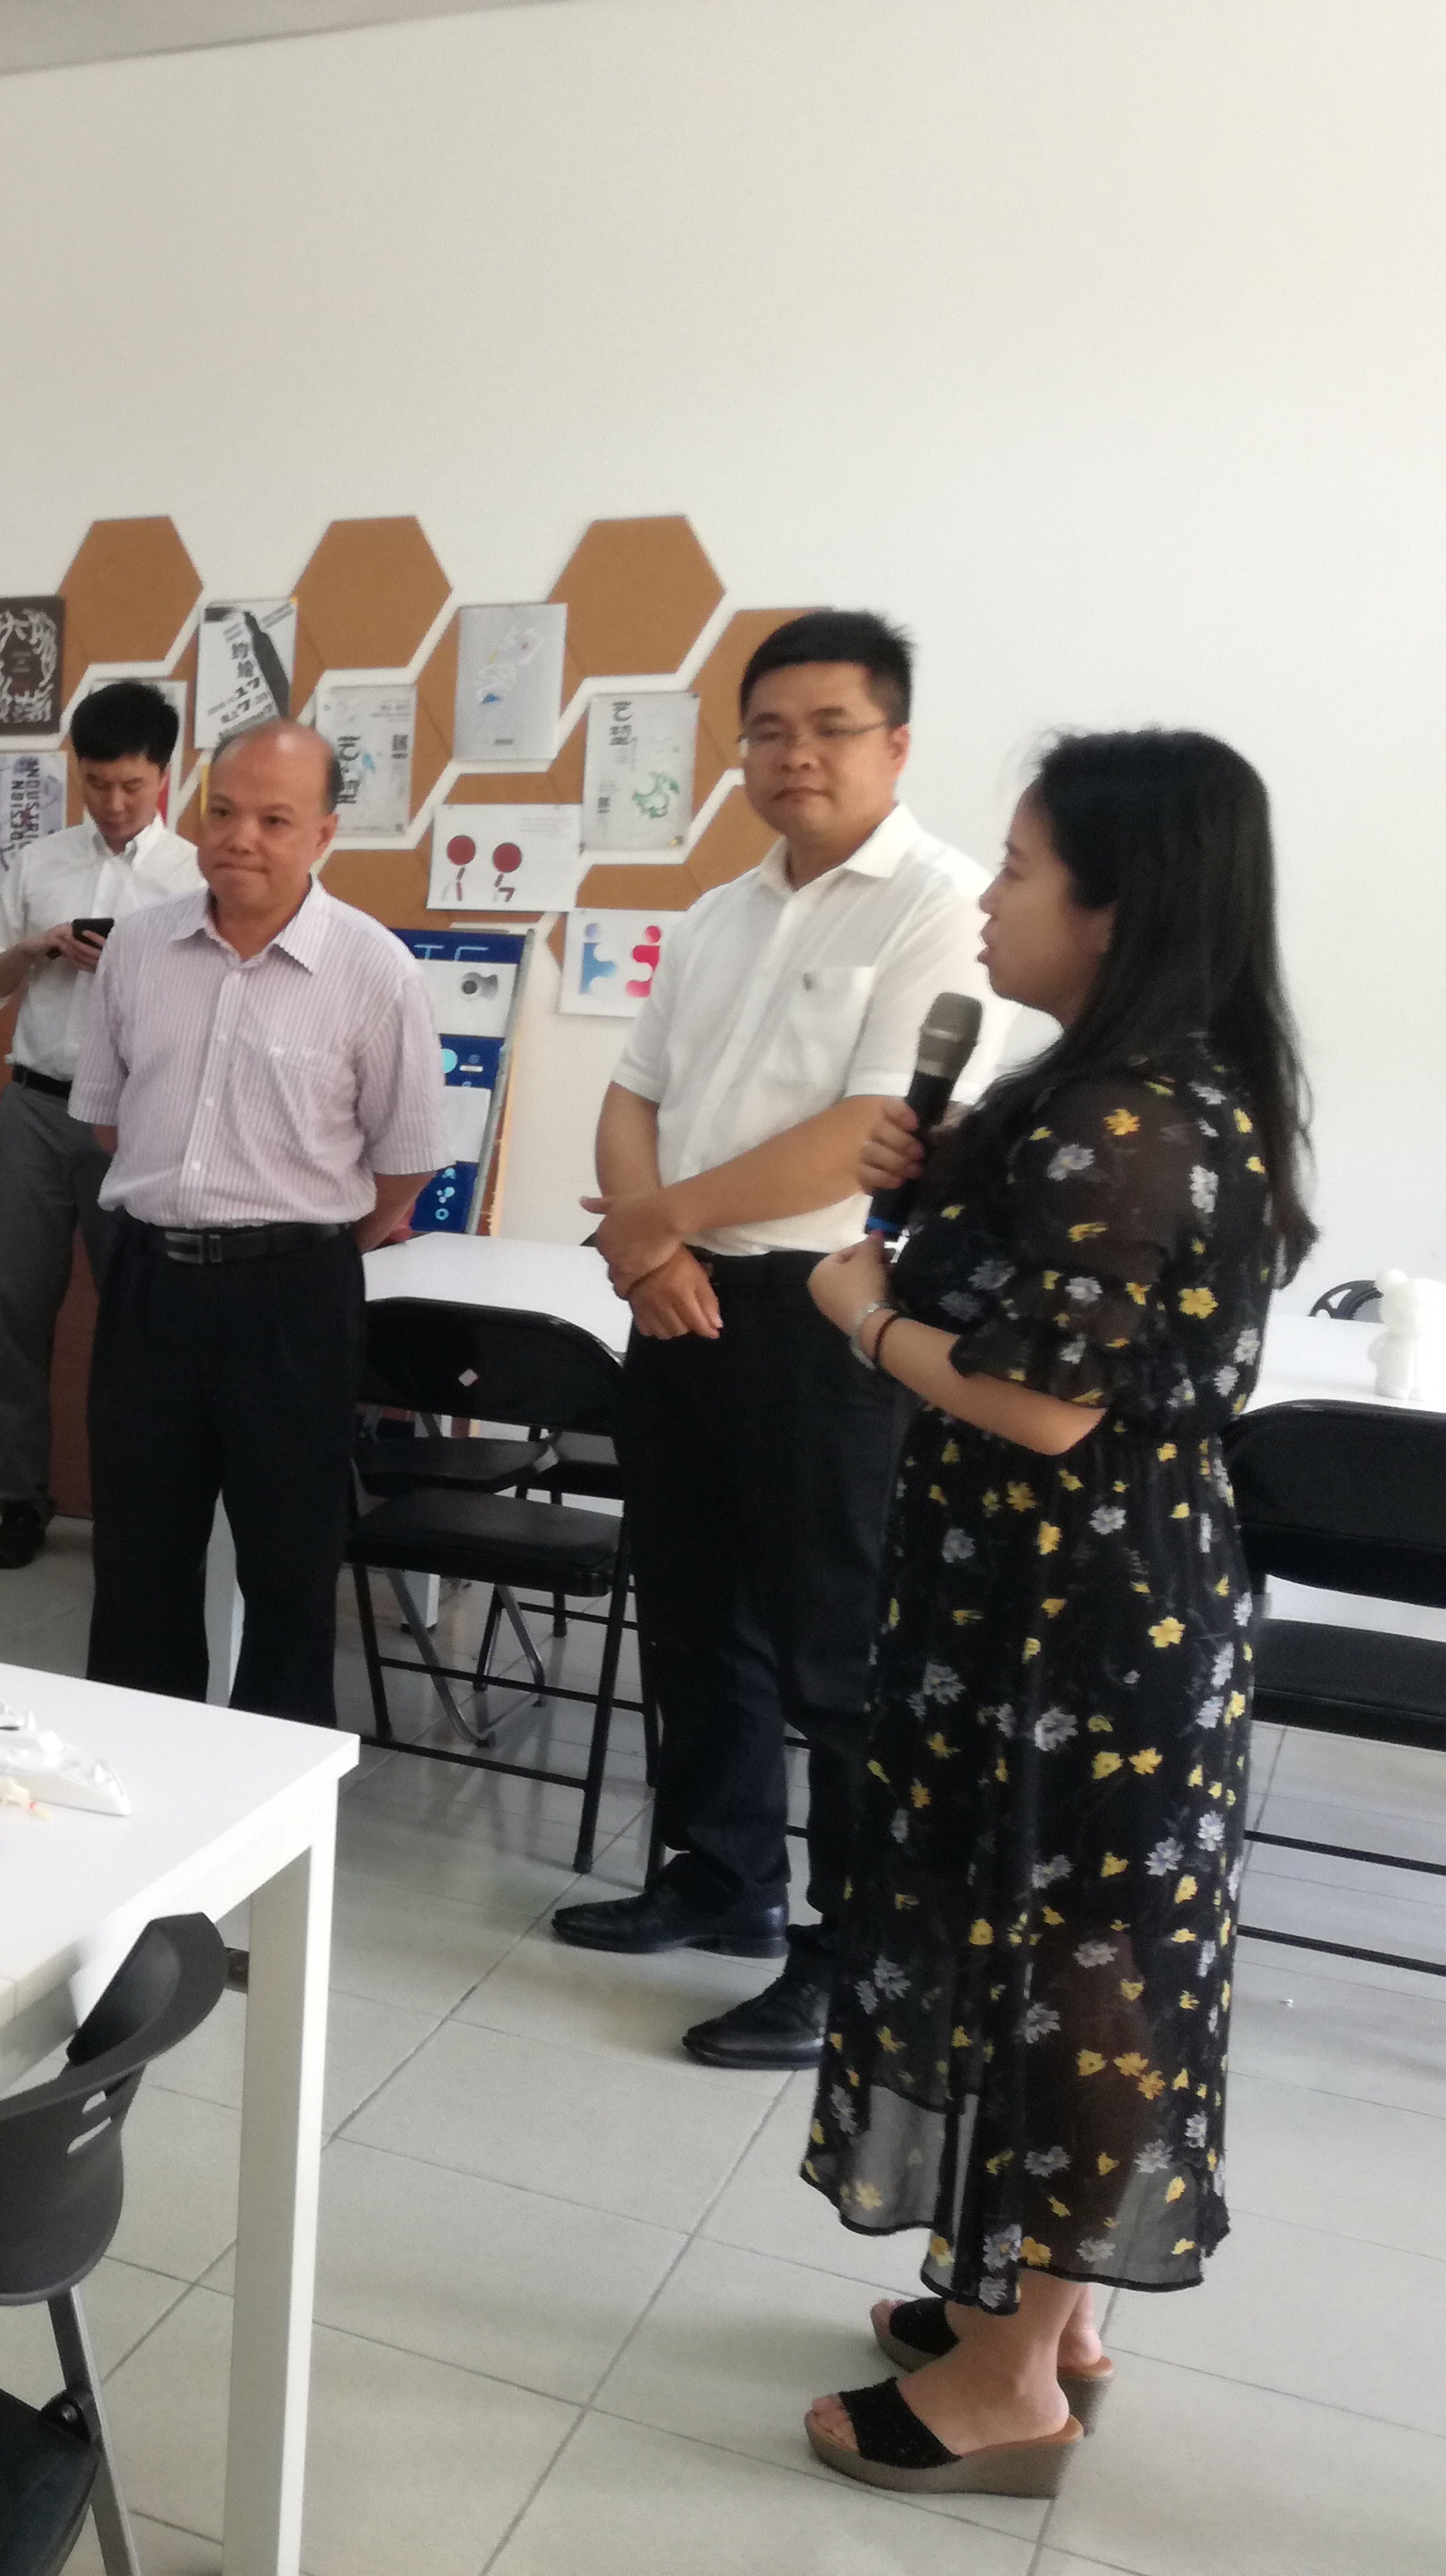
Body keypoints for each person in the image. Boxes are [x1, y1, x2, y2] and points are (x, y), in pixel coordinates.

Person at [793, 729, 1311, 2498]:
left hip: (1073, 1627)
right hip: (1077, 1606)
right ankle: (1050, 2321)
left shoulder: (1127, 1118)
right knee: (1072, 1955)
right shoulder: (1135, 1088)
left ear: (1115, 904)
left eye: (1017, 869)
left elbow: (1045, 1403)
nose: (989, 900)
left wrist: (863, 1311)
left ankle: (1009, 2382)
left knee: (1067, 1966)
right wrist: (948, 1179)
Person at [551, 611, 998, 2074]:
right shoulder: (719, 912)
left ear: (896, 744)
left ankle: (852, 1954)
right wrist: (653, 1246)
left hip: (827, 1319)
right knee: (690, 1612)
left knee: (837, 1651)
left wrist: (652, 1223)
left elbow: (870, 1134)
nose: (794, 756)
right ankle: (718, 1875)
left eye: (830, 728)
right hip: (681, 1303)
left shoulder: (942, 907)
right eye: (768, 731)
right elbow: (633, 1090)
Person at [73, 719, 446, 1722]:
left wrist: (315, 1245)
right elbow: (107, 1116)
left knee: (288, 1566)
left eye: (274, 820)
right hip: (148, 1283)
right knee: (137, 1557)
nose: (239, 837)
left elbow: (407, 1155)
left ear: (322, 834)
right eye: (223, 812)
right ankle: (136, 1766)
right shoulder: (138, 948)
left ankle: (274, 1784)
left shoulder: (372, 970)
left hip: (293, 1298)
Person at [0, 679, 202, 1569]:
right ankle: (19, 1498)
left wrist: (125, 969)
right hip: (32, 1107)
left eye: (130, 785)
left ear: (164, 776)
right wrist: (34, 949)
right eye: (95, 782)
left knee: (136, 1331)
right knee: (13, 1313)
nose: (112, 802)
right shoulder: (38, 862)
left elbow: (213, 1006)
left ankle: (134, 1513)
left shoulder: (194, 877)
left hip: (136, 1122)